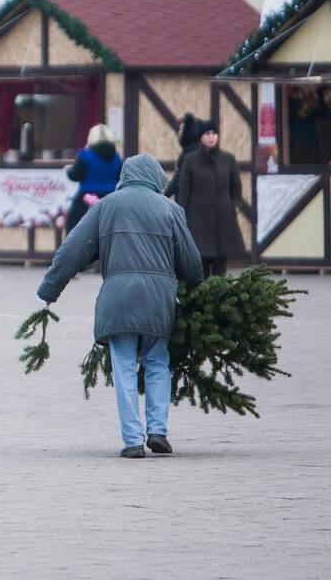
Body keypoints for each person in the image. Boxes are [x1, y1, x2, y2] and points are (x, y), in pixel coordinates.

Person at [36, 154, 203, 458]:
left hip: (118, 299)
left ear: (125, 176)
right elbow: (191, 264)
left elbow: (73, 251)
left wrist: (49, 289)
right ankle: (158, 430)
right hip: (159, 301)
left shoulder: (106, 207)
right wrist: (198, 290)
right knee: (157, 362)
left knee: (124, 367)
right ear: (156, 178)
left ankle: (132, 440)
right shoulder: (171, 210)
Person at [177, 119, 245, 277]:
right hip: (198, 220)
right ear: (200, 137)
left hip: (223, 219)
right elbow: (184, 189)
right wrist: (181, 213)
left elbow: (236, 186)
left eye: (214, 133)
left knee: (221, 264)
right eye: (207, 133)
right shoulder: (190, 160)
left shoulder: (228, 159)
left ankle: (221, 299)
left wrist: (235, 206)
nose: (211, 137)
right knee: (201, 264)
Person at [65, 124, 123, 232]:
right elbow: (120, 177)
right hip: (112, 200)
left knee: (74, 230)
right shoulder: (117, 158)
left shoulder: (85, 156)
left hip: (86, 200)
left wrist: (68, 171)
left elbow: (75, 176)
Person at [163, 113, 201, 199]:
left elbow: (178, 178)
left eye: (182, 128)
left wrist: (164, 196)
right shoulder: (200, 150)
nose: (179, 132)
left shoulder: (188, 154)